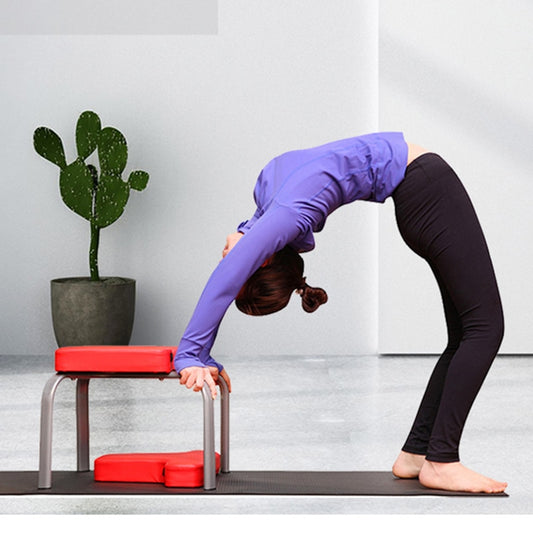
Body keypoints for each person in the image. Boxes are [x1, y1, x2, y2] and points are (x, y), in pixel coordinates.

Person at [174, 132, 507, 493]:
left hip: (419, 191)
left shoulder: (269, 205)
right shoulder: (287, 216)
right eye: (243, 267)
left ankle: (417, 453)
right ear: (263, 259)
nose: (230, 260)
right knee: (485, 328)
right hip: (428, 189)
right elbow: (225, 279)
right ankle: (442, 461)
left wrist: (246, 231)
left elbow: (261, 221)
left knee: (466, 333)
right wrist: (192, 353)